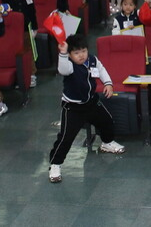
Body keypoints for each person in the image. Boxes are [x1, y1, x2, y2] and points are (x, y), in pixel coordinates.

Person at [48, 35, 126, 183]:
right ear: (70, 55)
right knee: (65, 138)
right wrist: (63, 53)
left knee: (107, 120)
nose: (81, 55)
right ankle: (55, 164)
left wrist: (108, 83)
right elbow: (62, 70)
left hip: (91, 102)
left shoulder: (92, 60)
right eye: (76, 53)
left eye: (83, 51)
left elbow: (101, 70)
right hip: (73, 108)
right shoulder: (69, 65)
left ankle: (107, 143)